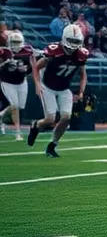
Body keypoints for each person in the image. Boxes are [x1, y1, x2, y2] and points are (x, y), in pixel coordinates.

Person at [27, 23, 88, 157]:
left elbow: (83, 75)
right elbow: (36, 67)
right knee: (50, 119)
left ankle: (52, 145)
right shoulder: (54, 51)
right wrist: (37, 83)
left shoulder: (81, 55)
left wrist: (81, 92)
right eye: (71, 40)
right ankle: (35, 125)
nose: (73, 45)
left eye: (76, 41)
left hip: (64, 88)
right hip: (47, 86)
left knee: (66, 117)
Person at [0, 30, 33, 141]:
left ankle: (1, 115)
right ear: (9, 42)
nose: (15, 45)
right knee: (14, 107)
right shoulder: (4, 52)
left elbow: (31, 67)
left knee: (20, 107)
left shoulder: (27, 51)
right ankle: (18, 133)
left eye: (17, 42)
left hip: (21, 82)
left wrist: (26, 70)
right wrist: (5, 63)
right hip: (7, 82)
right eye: (13, 42)